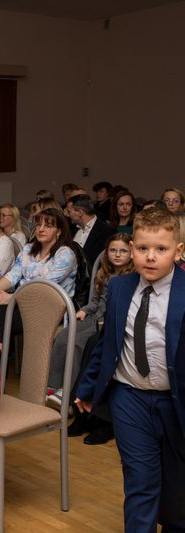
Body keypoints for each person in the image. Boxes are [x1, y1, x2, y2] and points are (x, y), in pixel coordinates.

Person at [75, 208, 185, 532]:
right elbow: (108, 343)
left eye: (161, 249)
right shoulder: (120, 287)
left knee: (177, 486)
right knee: (140, 479)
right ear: (132, 248)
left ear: (178, 251)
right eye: (143, 248)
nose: (151, 257)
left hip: (175, 401)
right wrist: (87, 387)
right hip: (129, 398)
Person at [49, 234, 134, 445]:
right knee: (63, 336)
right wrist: (85, 310)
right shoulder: (104, 274)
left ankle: (75, 400)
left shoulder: (132, 275)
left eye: (123, 251)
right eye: (113, 250)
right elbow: (95, 301)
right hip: (96, 318)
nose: (117, 255)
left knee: (83, 343)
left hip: (111, 321)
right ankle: (56, 389)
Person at [66, 194, 115, 267]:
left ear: (80, 212)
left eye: (69, 212)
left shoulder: (106, 231)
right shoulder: (70, 229)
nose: (68, 215)